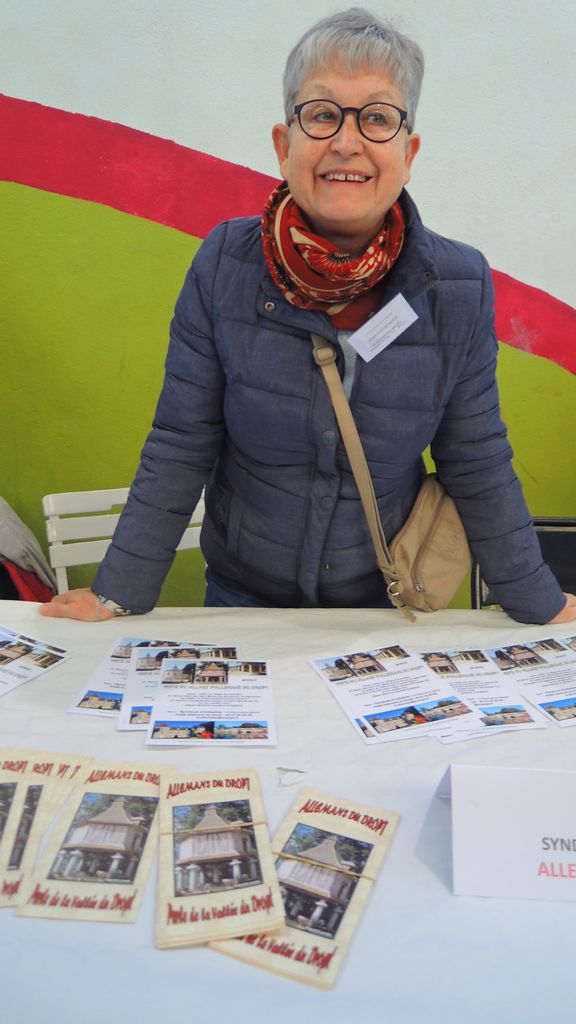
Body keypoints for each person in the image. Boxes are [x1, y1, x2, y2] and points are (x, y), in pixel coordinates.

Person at [41, 7, 576, 626]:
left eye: (378, 117)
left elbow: (475, 458)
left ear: (409, 152)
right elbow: (182, 442)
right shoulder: (224, 264)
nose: (347, 142)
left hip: (383, 607)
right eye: (322, 114)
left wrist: (540, 603)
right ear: (283, 144)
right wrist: (116, 593)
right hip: (243, 599)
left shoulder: (457, 286)